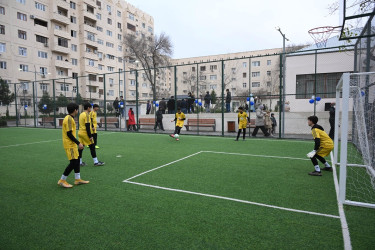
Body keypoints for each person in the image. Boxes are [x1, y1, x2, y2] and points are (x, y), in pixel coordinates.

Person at [57, 103, 89, 188]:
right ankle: (62, 180)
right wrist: (78, 143)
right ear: (75, 110)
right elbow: (69, 134)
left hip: (72, 144)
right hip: (70, 144)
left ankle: (77, 179)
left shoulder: (70, 118)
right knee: (73, 162)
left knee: (77, 160)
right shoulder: (69, 119)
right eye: (77, 109)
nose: (77, 111)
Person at [78, 102, 105, 167]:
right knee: (92, 146)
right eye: (90, 107)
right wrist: (90, 136)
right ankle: (96, 162)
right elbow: (87, 126)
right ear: (88, 108)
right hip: (85, 133)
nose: (91, 109)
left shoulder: (81, 114)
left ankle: (79, 162)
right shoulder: (87, 115)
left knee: (81, 147)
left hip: (80, 133)